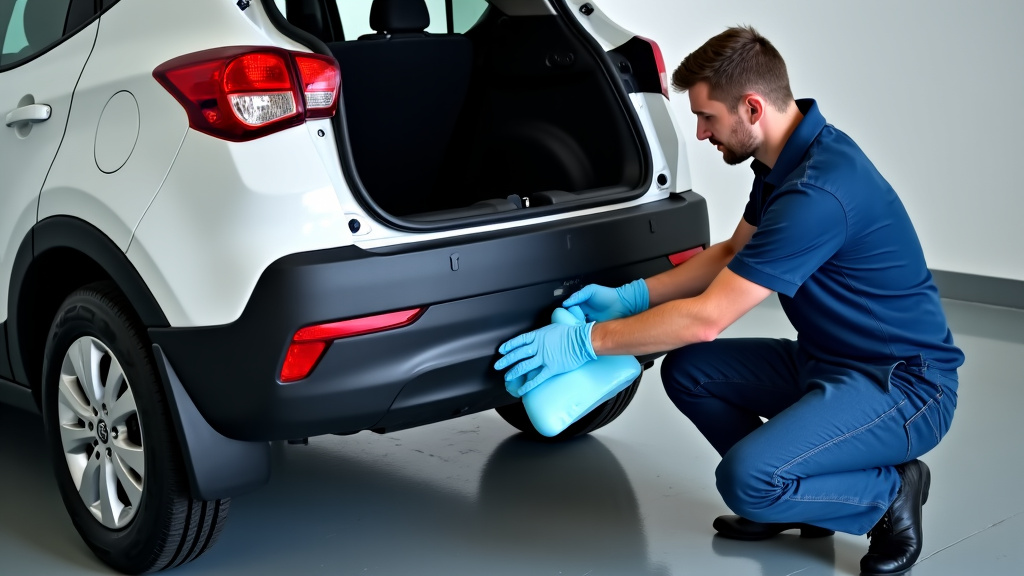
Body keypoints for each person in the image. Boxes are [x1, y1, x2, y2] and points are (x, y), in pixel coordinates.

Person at [494, 25, 963, 576]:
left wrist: (584, 343)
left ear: (752, 107)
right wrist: (631, 296)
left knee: (747, 481)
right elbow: (732, 252)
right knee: (689, 372)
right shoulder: (786, 160)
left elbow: (707, 319)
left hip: (903, 387)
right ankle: (798, 495)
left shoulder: (817, 192)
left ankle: (887, 494)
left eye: (707, 117)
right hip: (826, 361)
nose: (700, 133)